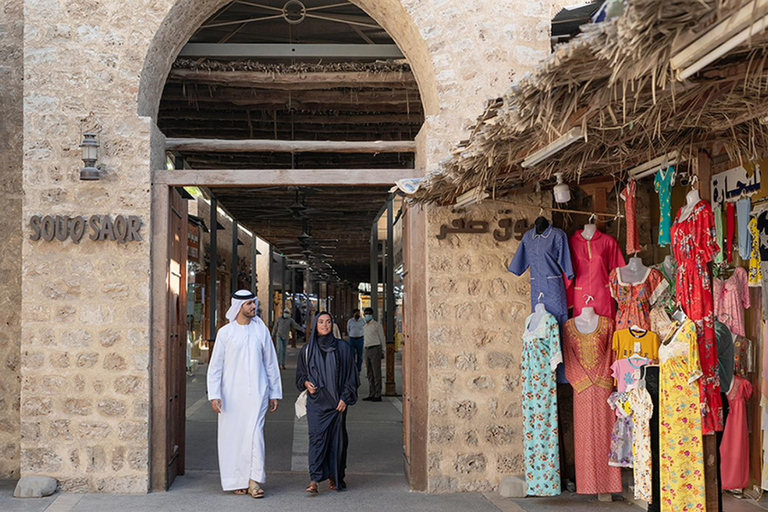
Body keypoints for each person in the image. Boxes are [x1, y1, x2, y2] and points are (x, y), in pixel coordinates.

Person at [207, 290, 282, 498]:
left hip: (258, 393)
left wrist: (274, 392)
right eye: (249, 304)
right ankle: (237, 480)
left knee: (255, 436)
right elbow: (215, 367)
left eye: (253, 303)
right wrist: (214, 395)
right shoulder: (225, 333)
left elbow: (271, 363)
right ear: (238, 307)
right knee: (234, 438)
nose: (253, 306)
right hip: (231, 396)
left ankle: (254, 481)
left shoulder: (261, 331)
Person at [296, 312, 359, 494]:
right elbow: (300, 376)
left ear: (333, 325)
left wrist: (345, 398)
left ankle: (335, 476)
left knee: (337, 441)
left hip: (337, 403)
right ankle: (314, 479)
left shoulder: (343, 348)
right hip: (317, 402)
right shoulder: (307, 350)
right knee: (316, 439)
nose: (325, 325)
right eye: (321, 322)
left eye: (329, 322)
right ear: (315, 325)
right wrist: (306, 384)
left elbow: (351, 376)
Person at [362, 307, 385, 402]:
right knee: (369, 373)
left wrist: (383, 350)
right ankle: (371, 393)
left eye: (369, 314)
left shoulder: (377, 325)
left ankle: (378, 394)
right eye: (365, 314)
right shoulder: (364, 326)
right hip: (367, 349)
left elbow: (382, 337)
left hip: (375, 348)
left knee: (376, 373)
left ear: (372, 315)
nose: (367, 315)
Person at [346, 309, 366, 373]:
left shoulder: (362, 321)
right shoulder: (350, 321)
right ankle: (353, 369)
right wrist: (351, 335)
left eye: (358, 313)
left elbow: (365, 329)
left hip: (360, 339)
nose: (357, 314)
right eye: (356, 313)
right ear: (353, 314)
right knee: (352, 355)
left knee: (360, 356)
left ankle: (358, 370)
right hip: (352, 339)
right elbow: (348, 329)